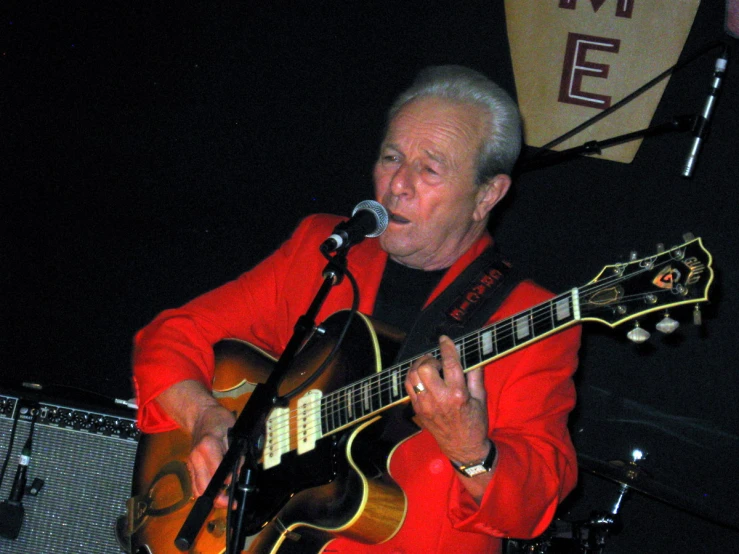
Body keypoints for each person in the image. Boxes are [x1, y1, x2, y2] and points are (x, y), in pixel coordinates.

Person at [132, 65, 581, 553]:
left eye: (429, 169)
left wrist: (472, 451)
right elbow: (170, 337)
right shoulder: (321, 250)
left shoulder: (532, 316)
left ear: (487, 195)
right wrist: (205, 418)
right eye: (391, 158)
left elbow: (533, 506)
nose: (397, 186)